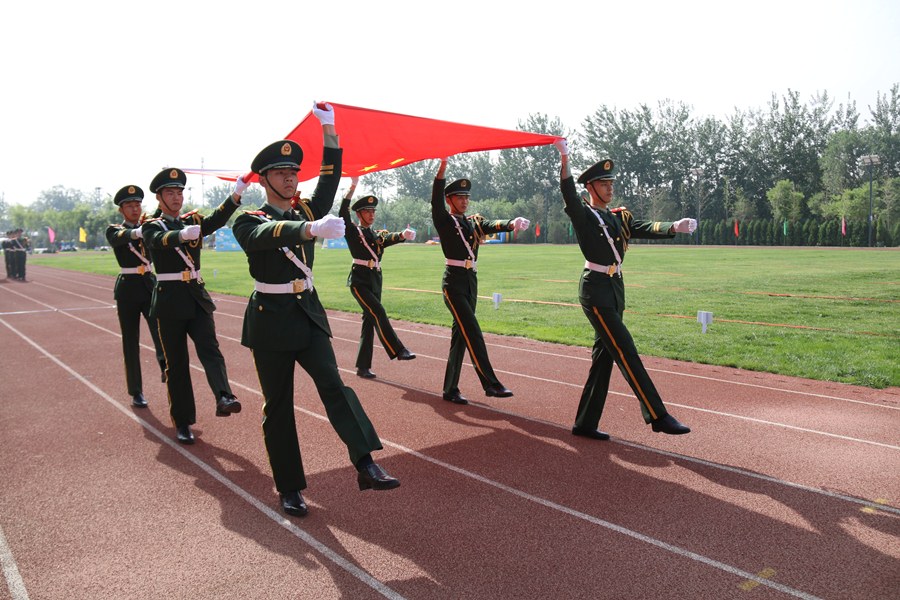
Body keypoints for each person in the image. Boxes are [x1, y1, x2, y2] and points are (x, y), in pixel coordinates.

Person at [232, 102, 399, 519]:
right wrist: (308, 229)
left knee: (334, 385)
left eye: (294, 172)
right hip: (270, 319)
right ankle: (289, 487)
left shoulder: (308, 208)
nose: (291, 178)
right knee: (279, 406)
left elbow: (330, 179)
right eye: (282, 173)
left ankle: (365, 463)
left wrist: (330, 131)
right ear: (265, 179)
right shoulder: (247, 218)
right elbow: (263, 236)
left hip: (306, 312)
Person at [555, 140, 694, 439]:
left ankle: (585, 423)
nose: (609, 188)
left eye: (611, 183)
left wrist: (673, 227)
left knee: (603, 357)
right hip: (595, 291)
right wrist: (564, 158)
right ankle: (657, 415)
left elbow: (642, 227)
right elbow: (567, 192)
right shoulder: (585, 216)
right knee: (626, 350)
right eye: (603, 183)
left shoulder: (618, 216)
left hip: (615, 288)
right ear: (590, 188)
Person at [141, 167, 241, 445]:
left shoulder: (193, 220)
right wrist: (181, 236)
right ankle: (183, 421)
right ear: (159, 198)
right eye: (170, 193)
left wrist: (237, 193)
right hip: (169, 300)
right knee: (177, 365)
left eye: (179, 192)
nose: (176, 198)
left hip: (196, 296)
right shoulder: (151, 225)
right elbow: (156, 241)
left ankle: (224, 396)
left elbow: (216, 220)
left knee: (210, 348)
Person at [431, 158, 531, 405]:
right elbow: (434, 202)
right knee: (473, 331)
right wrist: (440, 173)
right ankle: (491, 384)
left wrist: (511, 224)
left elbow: (490, 224)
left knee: (461, 336)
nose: (465, 201)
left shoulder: (473, 222)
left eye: (466, 197)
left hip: (470, 281)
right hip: (452, 283)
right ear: (449, 200)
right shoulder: (445, 221)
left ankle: (449, 388)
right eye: (459, 197)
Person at [339, 177, 417, 379]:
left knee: (369, 321)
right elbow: (342, 213)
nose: (371, 214)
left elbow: (388, 238)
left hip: (375, 279)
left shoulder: (375, 234)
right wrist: (352, 188)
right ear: (359, 214)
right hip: (359, 281)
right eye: (367, 211)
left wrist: (402, 235)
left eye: (373, 211)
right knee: (379, 312)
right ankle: (397, 350)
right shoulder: (353, 231)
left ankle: (362, 367)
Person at [105, 185, 167, 408]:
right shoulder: (114, 230)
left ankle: (165, 369)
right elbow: (120, 237)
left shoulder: (149, 226)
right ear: (121, 210)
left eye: (137, 204)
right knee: (130, 342)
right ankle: (136, 390)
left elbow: (163, 211)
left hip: (149, 285)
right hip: (128, 289)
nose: (134, 209)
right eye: (129, 206)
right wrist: (136, 232)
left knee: (161, 332)